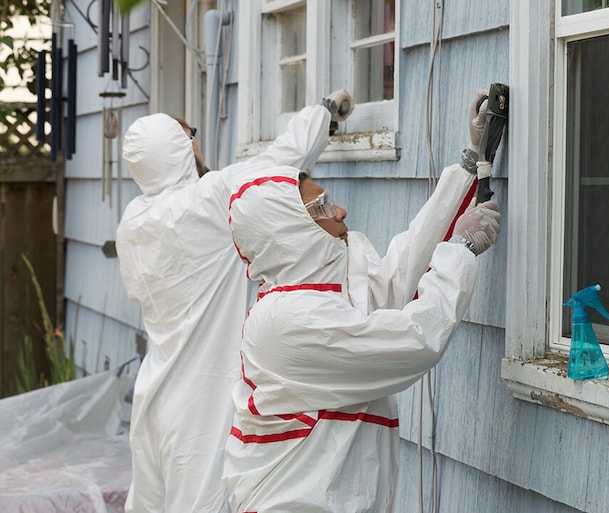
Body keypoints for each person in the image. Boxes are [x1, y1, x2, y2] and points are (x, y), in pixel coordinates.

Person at [221, 91, 502, 513]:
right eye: (321, 207)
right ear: (288, 232)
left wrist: (469, 164)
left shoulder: (322, 293)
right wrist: (459, 248)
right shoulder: (287, 323)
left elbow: (397, 274)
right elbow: (411, 341)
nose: (340, 211)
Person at [115, 89, 354, 513]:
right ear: (181, 149)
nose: (197, 141)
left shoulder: (132, 222)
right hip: (200, 407)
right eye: (190, 135)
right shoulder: (210, 199)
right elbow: (283, 159)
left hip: (152, 398)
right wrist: (324, 110)